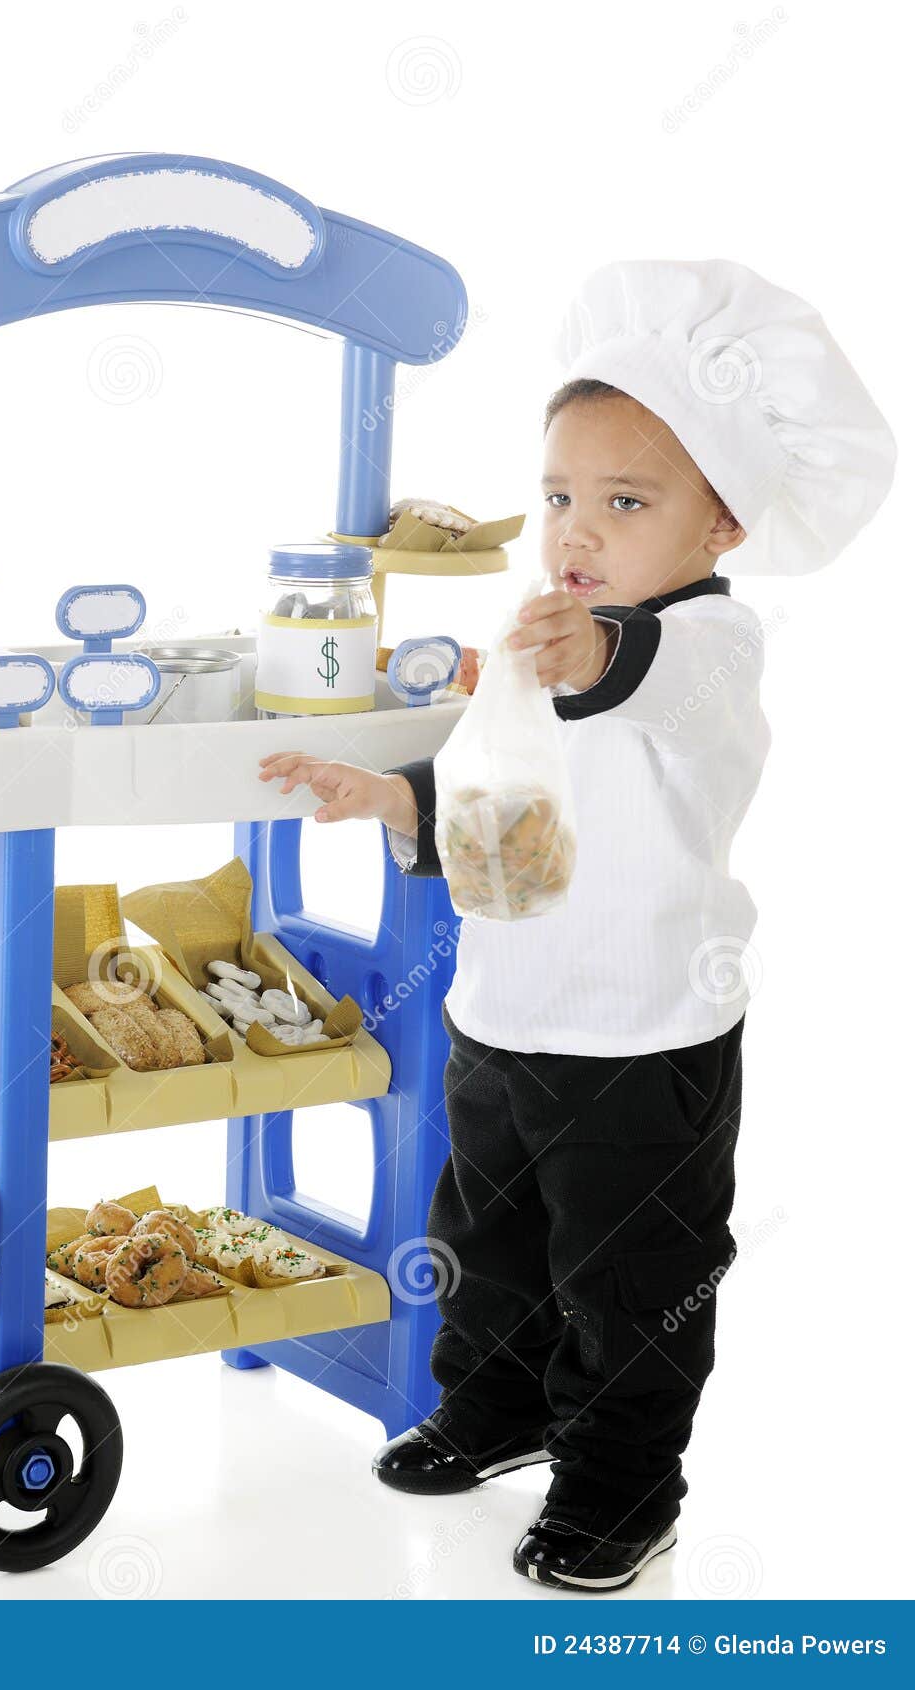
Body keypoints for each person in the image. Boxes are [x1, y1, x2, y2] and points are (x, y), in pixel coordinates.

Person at [259, 261, 894, 1591]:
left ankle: (620, 1493)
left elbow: (649, 693)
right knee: (492, 1247)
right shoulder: (547, 637)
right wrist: (387, 793)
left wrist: (592, 655)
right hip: (504, 1011)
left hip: (642, 1036)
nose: (576, 529)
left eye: (625, 500)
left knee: (630, 1282)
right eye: (559, 496)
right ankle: (498, 1405)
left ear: (720, 525)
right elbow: (501, 782)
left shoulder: (702, 650)